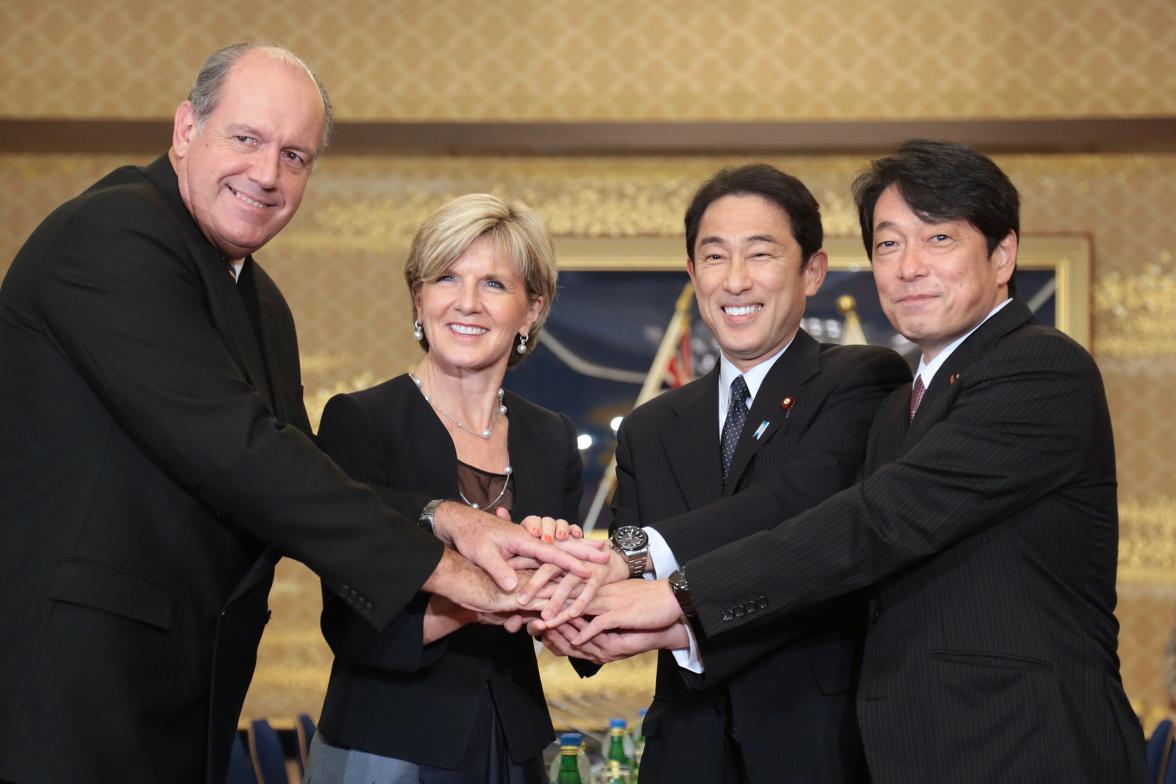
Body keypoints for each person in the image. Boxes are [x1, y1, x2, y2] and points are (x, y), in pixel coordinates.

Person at [0, 43, 600, 784]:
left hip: (181, 692)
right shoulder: (115, 236)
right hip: (75, 684)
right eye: (246, 139)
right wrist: (461, 576)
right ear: (186, 129)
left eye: (295, 156)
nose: (267, 174)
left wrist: (453, 517)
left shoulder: (263, 303)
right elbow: (243, 455)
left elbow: (298, 466)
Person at [540, 140, 1151, 783]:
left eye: (937, 238)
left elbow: (870, 520)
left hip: (1025, 747)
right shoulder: (905, 408)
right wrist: (584, 581)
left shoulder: (1036, 367)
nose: (909, 267)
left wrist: (670, 593)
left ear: (1003, 254)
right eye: (888, 245)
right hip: (906, 751)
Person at [540, 164, 909, 783]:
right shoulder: (650, 427)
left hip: (819, 749)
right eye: (714, 257)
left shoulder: (862, 381)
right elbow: (621, 578)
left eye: (760, 254)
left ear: (812, 271)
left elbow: (794, 507)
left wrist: (634, 561)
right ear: (692, 274)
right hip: (684, 752)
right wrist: (566, 607)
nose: (735, 281)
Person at [302, 193, 583, 783]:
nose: (467, 302)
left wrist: (566, 575)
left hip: (514, 746)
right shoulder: (361, 421)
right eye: (446, 277)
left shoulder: (551, 437)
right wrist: (493, 593)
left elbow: (569, 639)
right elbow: (353, 628)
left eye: (494, 285)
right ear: (418, 298)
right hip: (387, 740)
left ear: (532, 310)